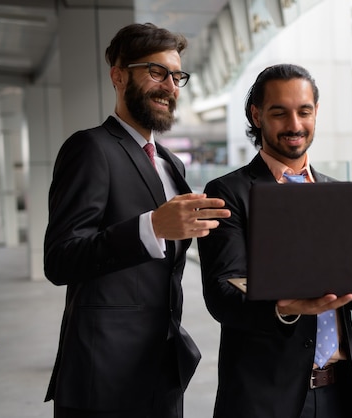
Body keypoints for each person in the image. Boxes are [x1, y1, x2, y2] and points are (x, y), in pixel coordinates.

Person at [43, 23, 230, 418]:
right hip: (103, 379)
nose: (170, 86)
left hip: (162, 371)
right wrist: (152, 227)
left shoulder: (171, 164)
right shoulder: (89, 148)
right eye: (156, 72)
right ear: (119, 75)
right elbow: (60, 260)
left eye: (176, 75)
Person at [197, 63, 352, 418]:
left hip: (339, 396)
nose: (295, 125)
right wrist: (284, 307)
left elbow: (350, 293)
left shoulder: (337, 193)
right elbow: (222, 296)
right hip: (264, 398)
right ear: (257, 115)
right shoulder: (227, 193)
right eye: (280, 113)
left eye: (304, 111)